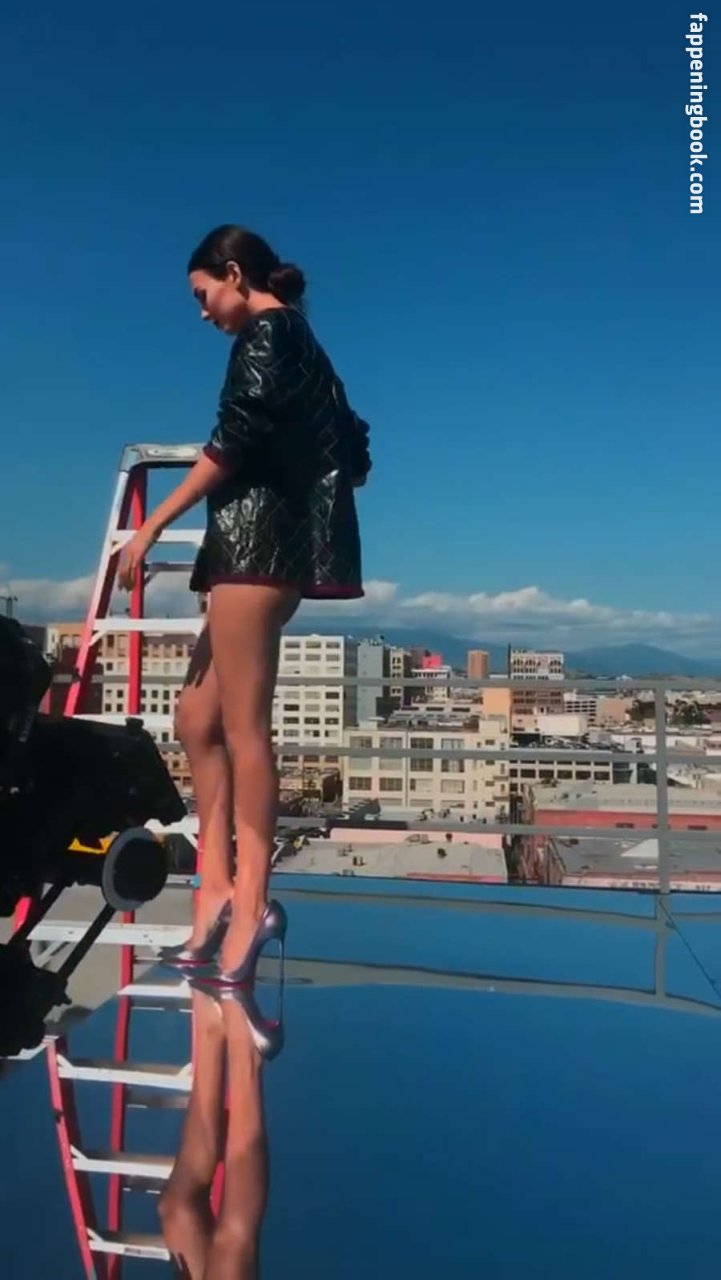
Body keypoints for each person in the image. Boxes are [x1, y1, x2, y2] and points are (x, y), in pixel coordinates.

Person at [118, 225, 371, 980]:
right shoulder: (303, 343)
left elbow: (230, 442)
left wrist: (151, 526)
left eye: (203, 295)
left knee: (243, 727)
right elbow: (355, 450)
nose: (203, 313)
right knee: (197, 720)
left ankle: (251, 898)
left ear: (234, 274)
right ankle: (217, 886)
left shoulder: (267, 334)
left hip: (258, 550)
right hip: (255, 548)